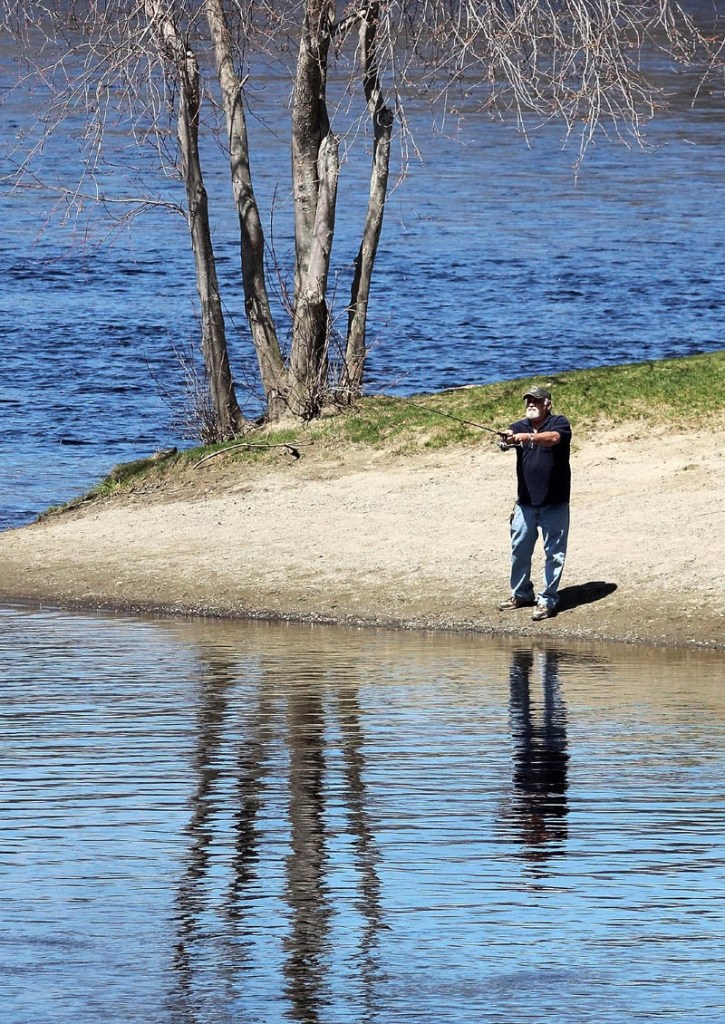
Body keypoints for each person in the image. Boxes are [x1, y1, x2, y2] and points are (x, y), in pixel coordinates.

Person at [498, 386, 572, 621]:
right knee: (519, 550)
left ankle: (547, 600)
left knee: (554, 554)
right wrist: (507, 440)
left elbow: (553, 439)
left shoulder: (559, 423)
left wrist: (528, 438)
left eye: (536, 401)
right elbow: (511, 436)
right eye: (528, 401)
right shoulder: (520, 426)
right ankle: (521, 594)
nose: (531, 404)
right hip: (526, 503)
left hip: (555, 502)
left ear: (547, 404)